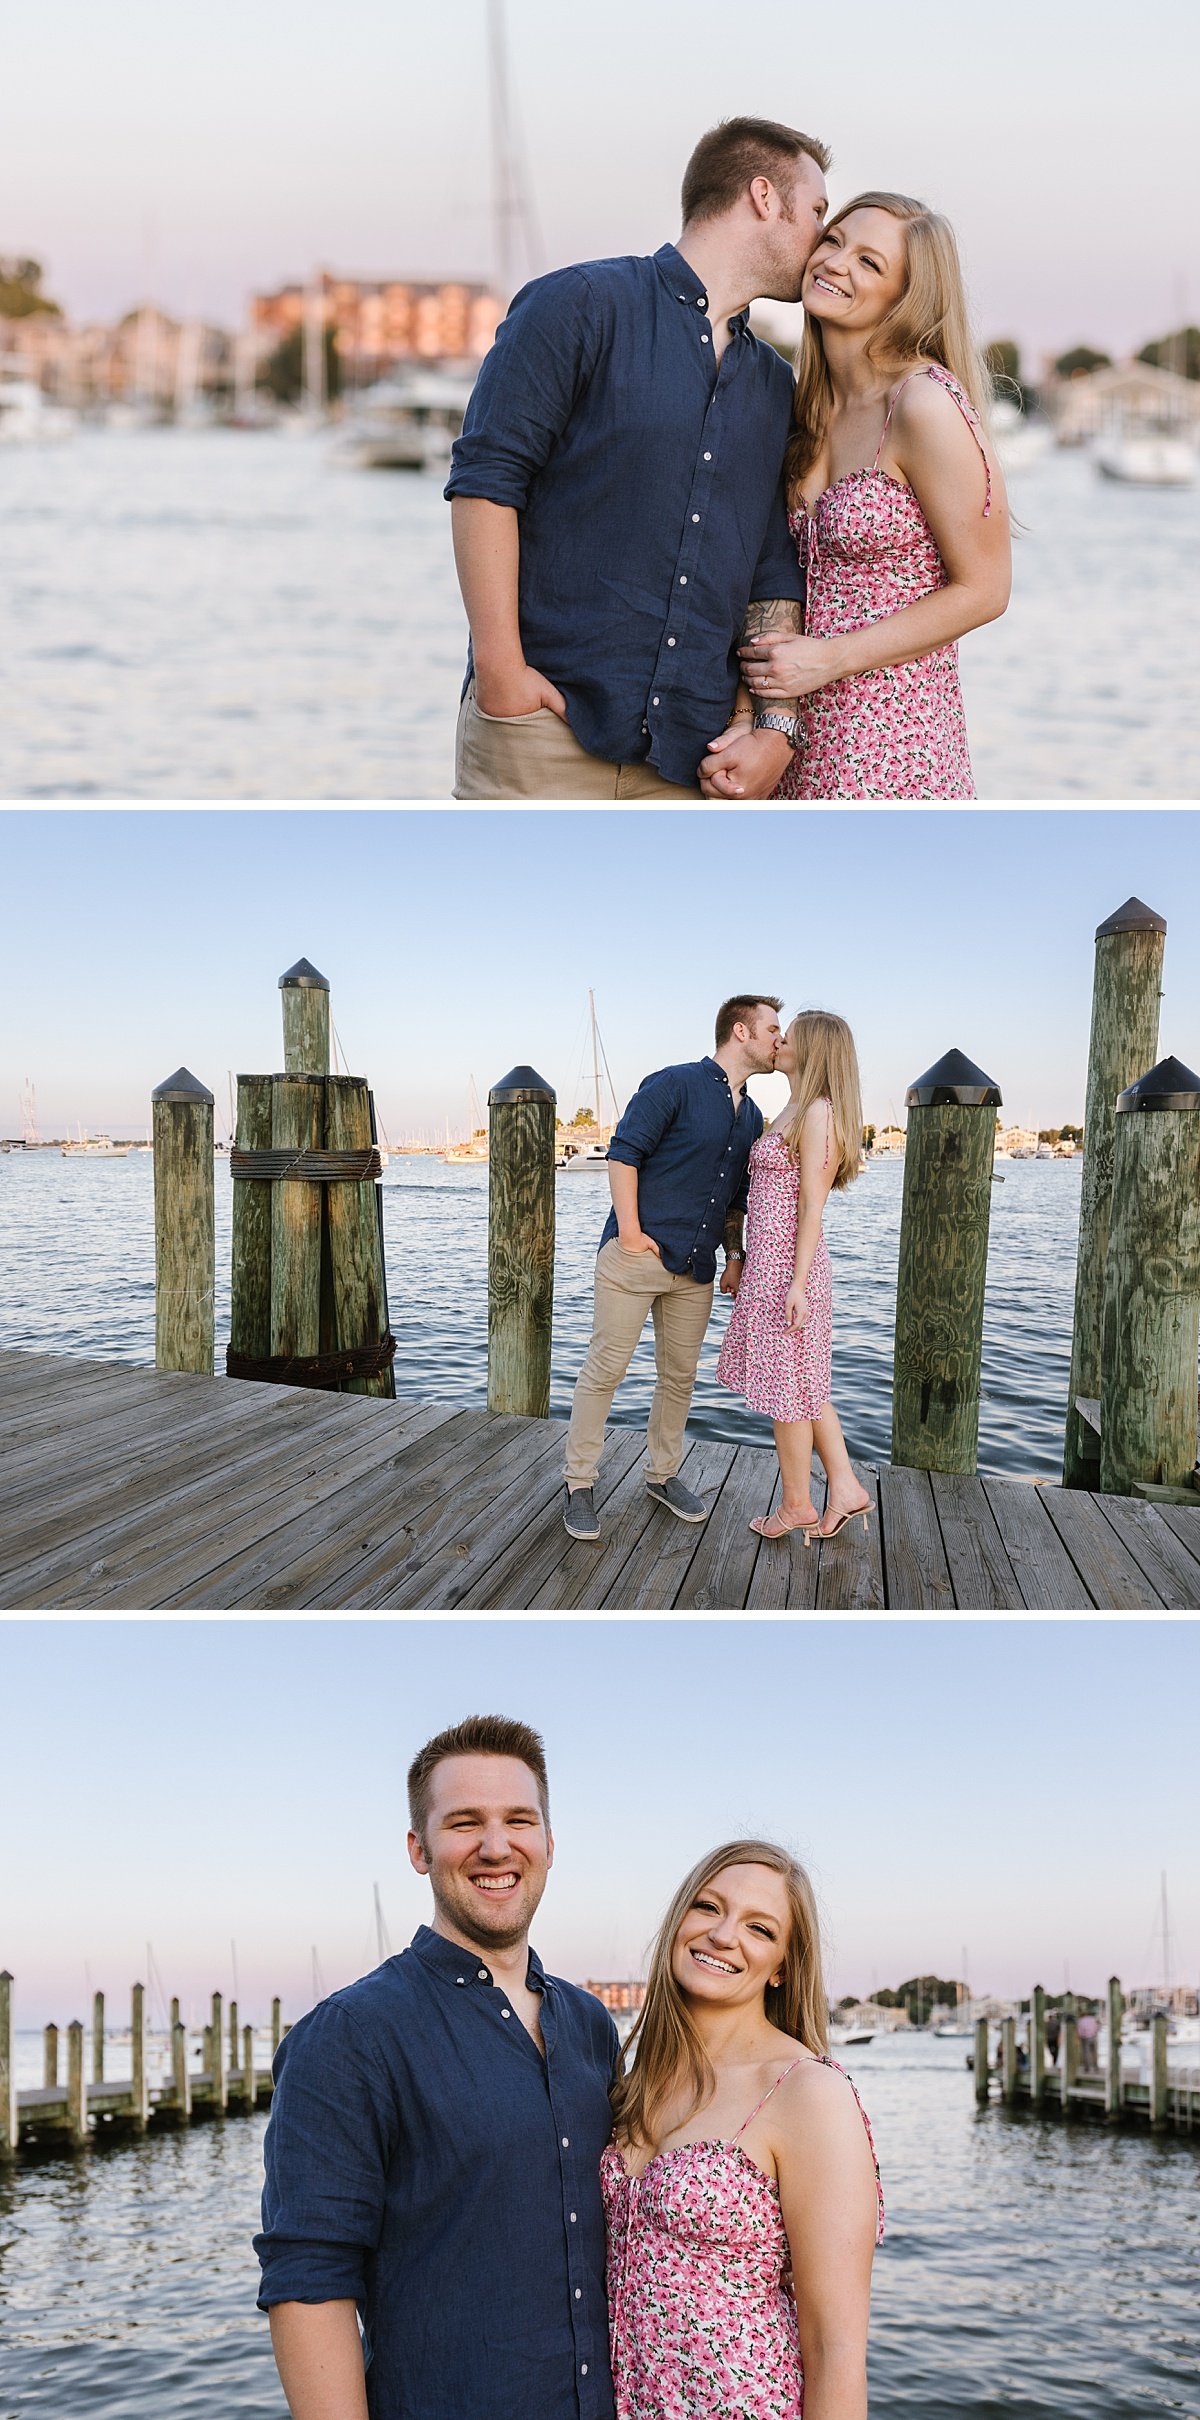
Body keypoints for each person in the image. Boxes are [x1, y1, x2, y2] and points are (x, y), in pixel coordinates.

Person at [445, 117, 834, 800]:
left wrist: (774, 729)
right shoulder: (578, 305)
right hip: (542, 736)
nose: (823, 240)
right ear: (765, 197)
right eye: (818, 212)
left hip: (694, 763)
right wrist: (502, 674)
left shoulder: (775, 384)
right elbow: (486, 484)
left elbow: (771, 564)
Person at [255, 1715, 618, 2420]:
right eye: (464, 1823)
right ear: (419, 1849)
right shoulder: (349, 2036)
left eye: (519, 1819)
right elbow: (310, 2279)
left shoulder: (591, 2026)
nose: (495, 1846)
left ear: (549, 1843)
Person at [711, 192, 1012, 799]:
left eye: (870, 262)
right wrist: (749, 719)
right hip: (787, 736)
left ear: (906, 298)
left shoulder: (923, 404)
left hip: (892, 741)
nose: (836, 262)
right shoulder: (800, 405)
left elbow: (986, 589)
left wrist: (833, 659)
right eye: (834, 240)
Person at [602, 1839, 883, 2420]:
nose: (723, 1935)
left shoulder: (808, 2094)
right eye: (707, 1907)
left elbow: (834, 2349)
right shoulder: (635, 2085)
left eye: (759, 1928)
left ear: (783, 1965)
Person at [562, 996, 781, 1542]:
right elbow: (623, 1154)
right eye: (773, 1029)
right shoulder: (674, 1084)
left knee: (679, 1378)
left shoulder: (752, 1115)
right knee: (605, 1372)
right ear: (741, 1031)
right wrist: (632, 1234)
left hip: (696, 1270)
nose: (780, 1040)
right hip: (635, 1260)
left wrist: (736, 1256)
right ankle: (579, 1483)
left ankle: (662, 1475)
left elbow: (737, 1198)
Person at [716, 1009, 871, 1542]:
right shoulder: (789, 1109)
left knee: (789, 1390)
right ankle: (845, 1487)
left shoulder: (820, 1114)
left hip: (790, 1269)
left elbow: (811, 1206)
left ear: (814, 1050)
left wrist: (798, 1283)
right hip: (769, 1267)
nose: (779, 1040)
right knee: (803, 1385)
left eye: (790, 1036)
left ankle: (798, 1504)